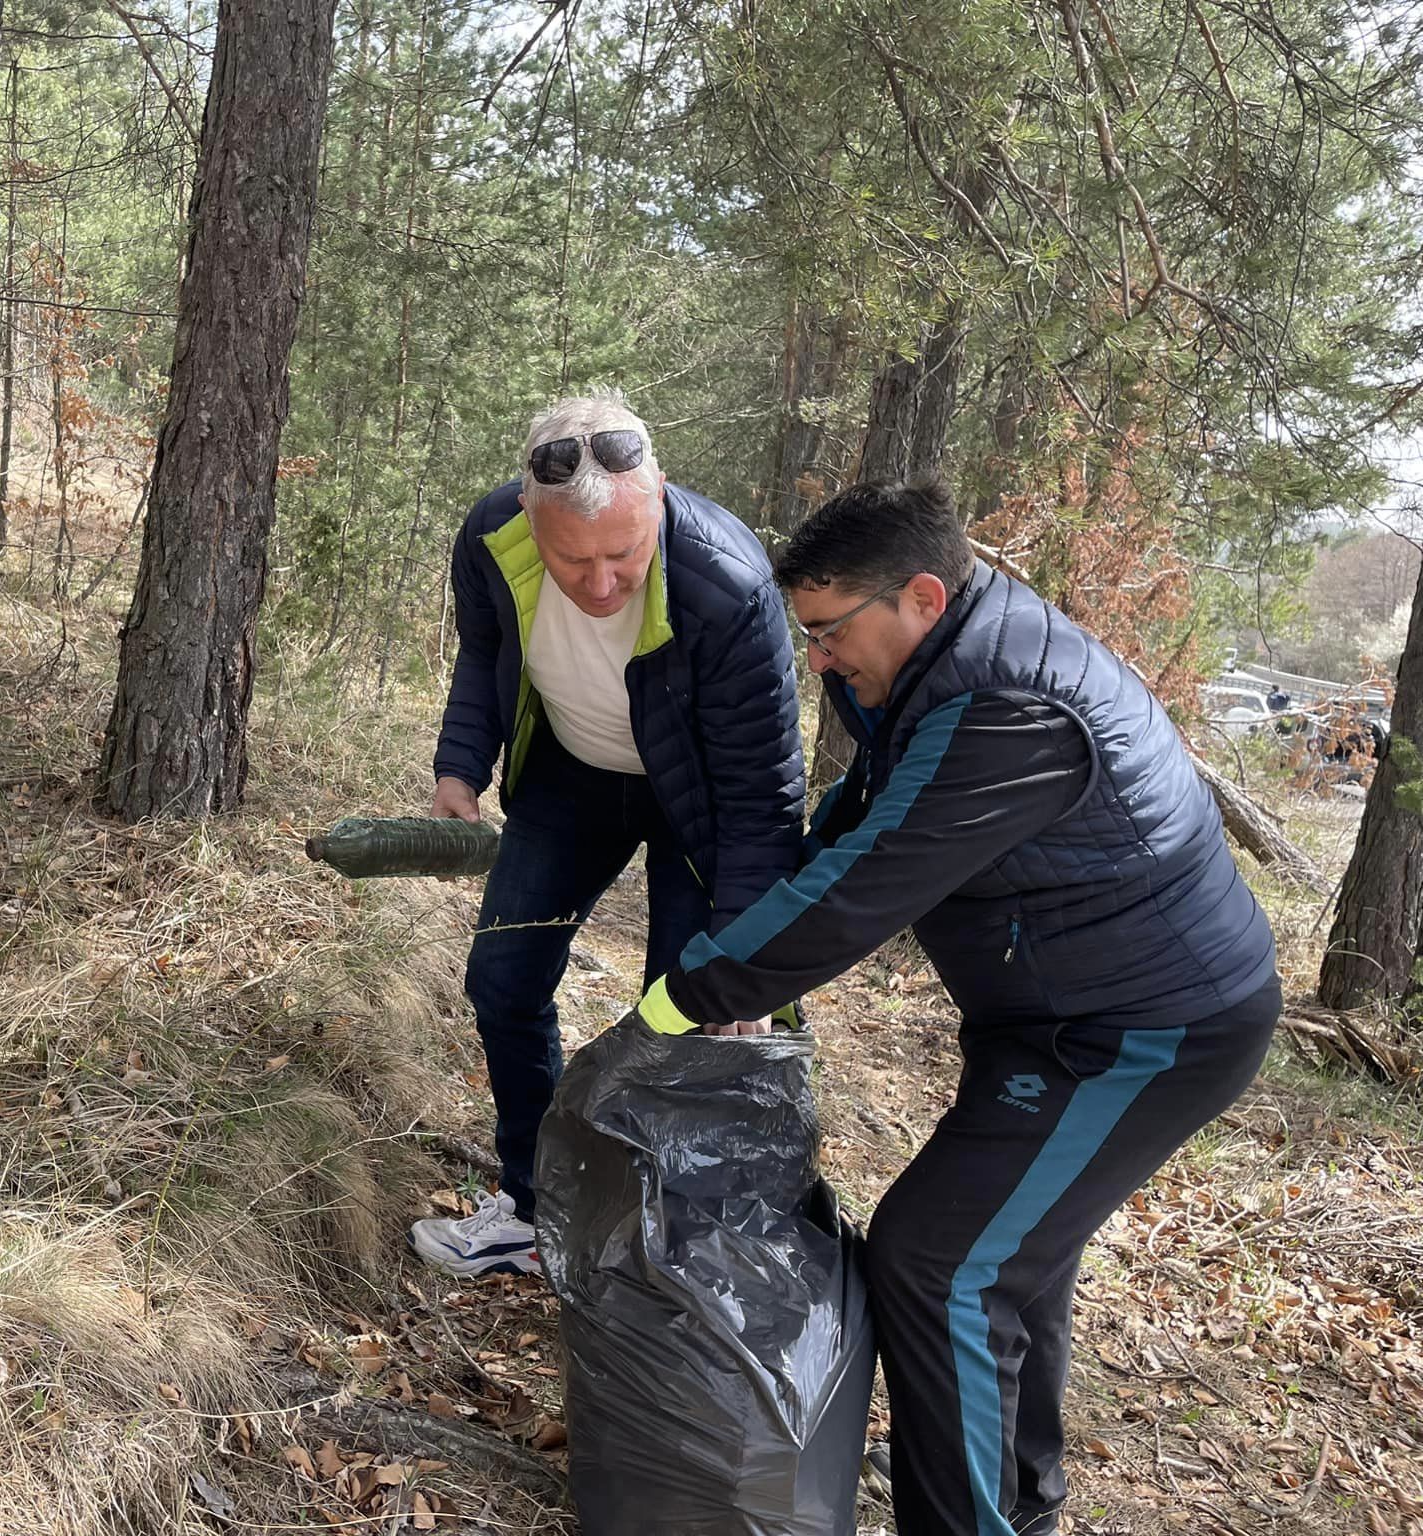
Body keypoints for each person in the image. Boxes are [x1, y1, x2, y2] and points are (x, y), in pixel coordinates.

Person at [633, 480, 1280, 1536]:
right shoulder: (947, 666)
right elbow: (862, 818)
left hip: (1145, 1033)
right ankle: (1016, 1508)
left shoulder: (1008, 711)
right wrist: (750, 950)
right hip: (1056, 1015)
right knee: (1004, 1270)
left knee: (940, 1268)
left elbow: (873, 879)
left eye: (830, 633)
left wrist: (682, 1003)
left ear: (921, 596)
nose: (821, 660)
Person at [408, 390, 804, 1278]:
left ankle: (663, 1249)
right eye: (570, 558)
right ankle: (536, 1205)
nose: (597, 584)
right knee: (503, 983)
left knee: (692, 1018)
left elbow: (764, 794)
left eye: (622, 555)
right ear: (528, 516)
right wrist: (459, 767)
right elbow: (483, 655)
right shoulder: (491, 538)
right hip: (569, 778)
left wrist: (747, 957)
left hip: (700, 804)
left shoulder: (726, 584)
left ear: (657, 501)